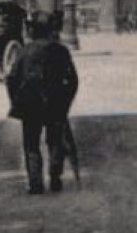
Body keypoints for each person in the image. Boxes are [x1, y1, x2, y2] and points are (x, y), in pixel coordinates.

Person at [6, 10, 81, 194]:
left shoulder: (24, 52)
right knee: (55, 141)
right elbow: (73, 80)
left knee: (31, 144)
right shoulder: (60, 50)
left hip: (30, 103)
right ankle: (55, 177)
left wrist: (17, 101)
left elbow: (11, 79)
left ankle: (35, 182)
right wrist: (66, 102)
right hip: (55, 102)